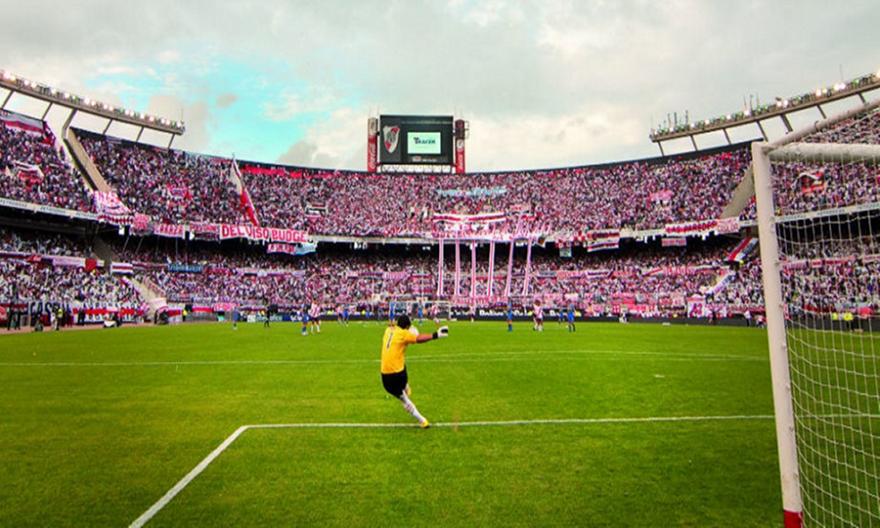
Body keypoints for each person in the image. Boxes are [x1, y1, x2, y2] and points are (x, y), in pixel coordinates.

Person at [380, 314, 448, 428]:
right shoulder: (404, 334)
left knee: (403, 398)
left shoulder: (388, 330)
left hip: (385, 376)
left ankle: (420, 417)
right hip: (397, 375)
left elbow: (392, 326)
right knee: (404, 398)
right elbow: (419, 338)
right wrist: (436, 335)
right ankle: (422, 419)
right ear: (407, 326)